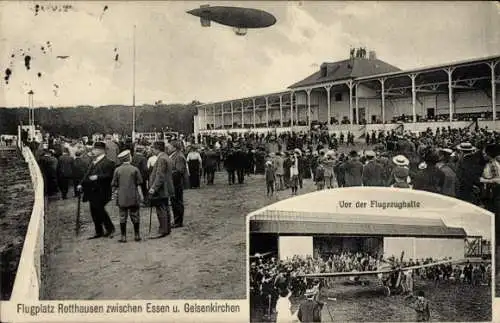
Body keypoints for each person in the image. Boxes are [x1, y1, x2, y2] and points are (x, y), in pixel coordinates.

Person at [79, 141, 116, 239]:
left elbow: (110, 175)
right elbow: (87, 174)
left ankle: (110, 228)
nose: (93, 151)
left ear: (102, 151)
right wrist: (81, 184)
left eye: (95, 149)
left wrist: (98, 177)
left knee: (99, 210)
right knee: (94, 211)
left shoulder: (109, 162)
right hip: (92, 191)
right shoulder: (93, 161)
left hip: (102, 190)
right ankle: (98, 231)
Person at [111, 150, 144, 243]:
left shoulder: (117, 170)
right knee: (135, 215)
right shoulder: (135, 169)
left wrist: (113, 194)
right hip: (133, 195)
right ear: (129, 157)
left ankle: (123, 237)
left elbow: (114, 184)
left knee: (122, 216)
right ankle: (137, 235)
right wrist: (141, 195)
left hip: (122, 197)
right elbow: (139, 183)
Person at [148, 141, 175, 239]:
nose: (151, 150)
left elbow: (160, 175)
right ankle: (166, 229)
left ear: (157, 149)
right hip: (165, 187)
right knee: (165, 208)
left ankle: (163, 230)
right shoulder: (166, 157)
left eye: (153, 148)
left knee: (161, 209)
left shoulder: (161, 159)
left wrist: (153, 188)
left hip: (161, 188)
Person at [169, 140, 187, 228]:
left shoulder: (179, 156)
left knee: (177, 202)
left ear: (174, 147)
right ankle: (176, 220)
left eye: (170, 146)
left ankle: (178, 221)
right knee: (174, 201)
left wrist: (168, 173)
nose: (168, 147)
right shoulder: (175, 155)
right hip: (173, 182)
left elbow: (179, 171)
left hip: (176, 182)